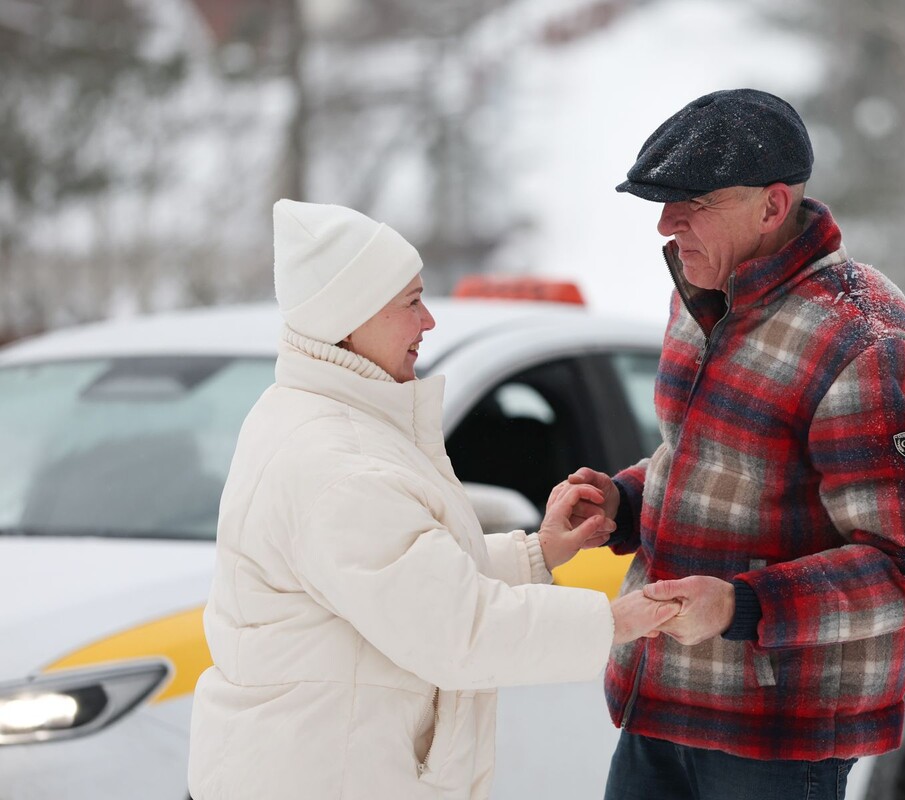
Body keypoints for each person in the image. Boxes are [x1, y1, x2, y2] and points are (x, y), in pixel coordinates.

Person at [187, 200, 680, 800]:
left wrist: (538, 553)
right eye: (410, 302)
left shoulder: (320, 419)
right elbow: (459, 632)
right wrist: (614, 621)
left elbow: (403, 582)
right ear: (352, 316)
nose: (428, 322)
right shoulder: (338, 463)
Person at [564, 89, 905, 800]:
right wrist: (622, 502)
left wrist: (740, 606)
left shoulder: (862, 343)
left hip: (774, 744)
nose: (665, 224)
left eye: (691, 204)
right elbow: (706, 466)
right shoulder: (700, 296)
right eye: (661, 203)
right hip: (657, 709)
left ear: (772, 207)